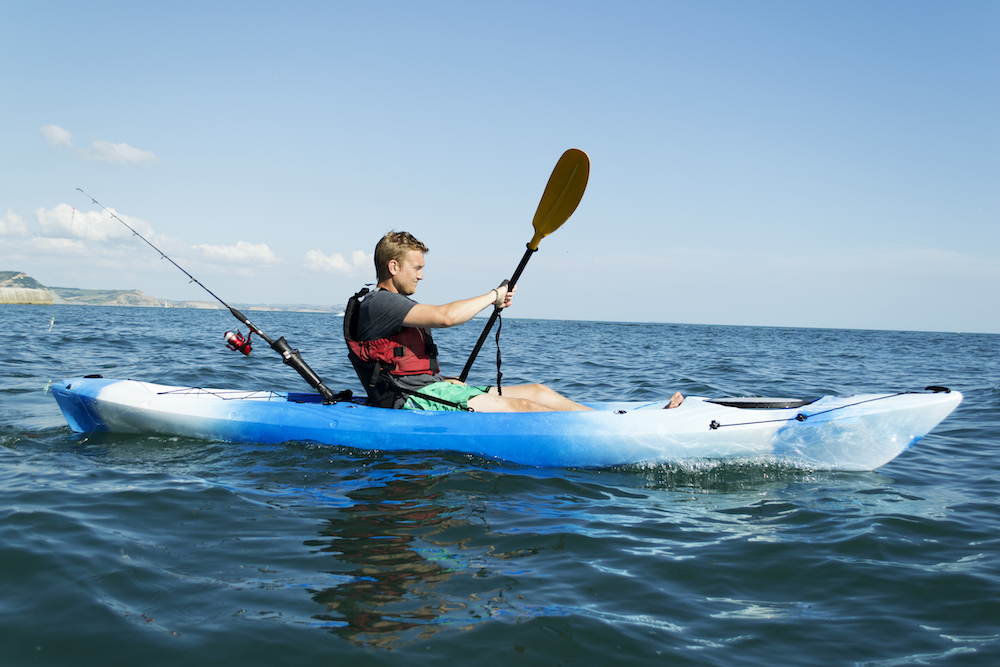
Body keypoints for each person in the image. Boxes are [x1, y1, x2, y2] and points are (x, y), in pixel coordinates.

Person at [346, 231, 683, 412]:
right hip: (410, 401)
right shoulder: (379, 303)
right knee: (522, 406)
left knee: (540, 392)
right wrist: (493, 295)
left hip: (429, 388)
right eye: (416, 268)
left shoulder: (393, 304)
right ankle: (611, 434)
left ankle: (610, 424)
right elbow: (446, 317)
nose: (422, 275)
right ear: (393, 267)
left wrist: (445, 380)